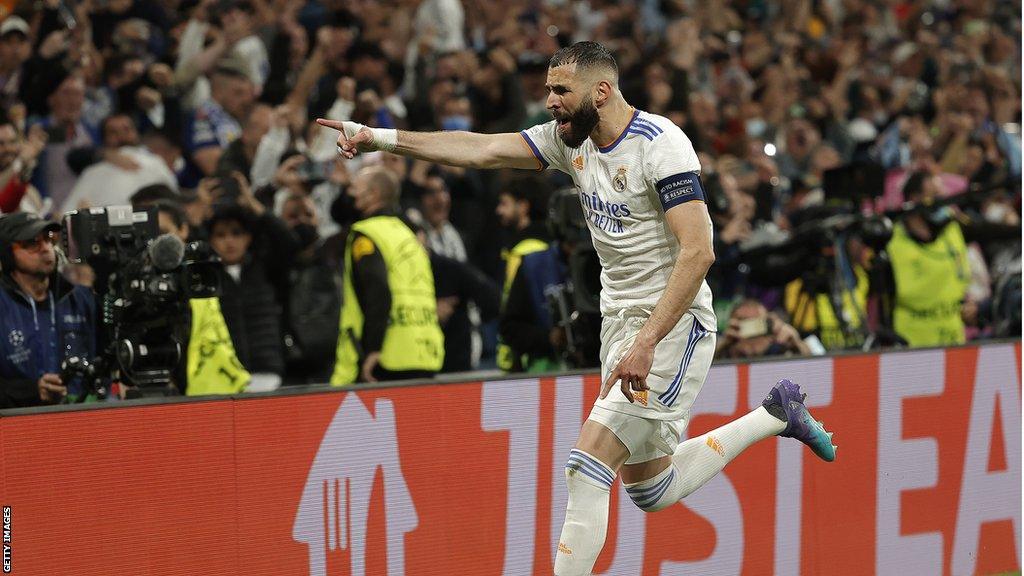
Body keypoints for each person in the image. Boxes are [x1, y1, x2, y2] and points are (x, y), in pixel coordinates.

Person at [319, 41, 837, 576]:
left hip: (671, 325)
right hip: (620, 322)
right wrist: (378, 137)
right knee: (651, 489)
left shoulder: (661, 146)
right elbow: (480, 149)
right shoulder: (571, 143)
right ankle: (775, 415)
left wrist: (647, 342)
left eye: (560, 90)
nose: (549, 101)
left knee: (585, 466)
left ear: (601, 91)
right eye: (548, 90)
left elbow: (700, 250)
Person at [329, 165, 444, 385]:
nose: (350, 193)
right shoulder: (410, 236)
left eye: (355, 187)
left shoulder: (368, 234)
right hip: (424, 352)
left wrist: (373, 348)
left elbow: (378, 291)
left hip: (385, 358)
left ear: (373, 194)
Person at [0, 212, 96, 407]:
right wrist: (32, 391)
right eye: (32, 243)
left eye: (48, 239)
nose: (45, 248)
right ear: (7, 253)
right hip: (17, 426)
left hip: (84, 418)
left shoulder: (80, 299)